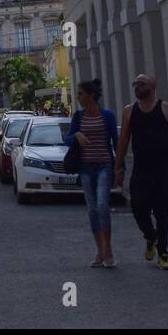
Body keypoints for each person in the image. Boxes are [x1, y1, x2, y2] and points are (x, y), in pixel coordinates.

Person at [115, 74, 168, 270]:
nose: (137, 87)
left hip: (164, 169)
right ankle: (150, 236)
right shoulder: (129, 111)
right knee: (137, 205)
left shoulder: (167, 109)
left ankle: (163, 253)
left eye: (142, 84)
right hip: (141, 169)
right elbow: (123, 142)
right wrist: (118, 167)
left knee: (162, 211)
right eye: (135, 85)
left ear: (153, 87)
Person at [66, 79, 118, 268]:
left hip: (104, 165)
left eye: (80, 93)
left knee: (102, 205)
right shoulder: (78, 117)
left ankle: (108, 250)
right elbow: (67, 139)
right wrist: (77, 136)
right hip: (85, 168)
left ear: (91, 96)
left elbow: (116, 141)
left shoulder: (107, 116)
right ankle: (100, 251)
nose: (78, 97)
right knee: (92, 209)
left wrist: (119, 168)